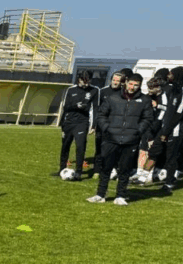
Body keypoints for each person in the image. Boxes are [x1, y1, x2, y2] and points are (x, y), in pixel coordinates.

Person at [88, 72, 153, 205]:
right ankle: (100, 195)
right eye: (130, 84)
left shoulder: (145, 100)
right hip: (111, 139)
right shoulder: (113, 98)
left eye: (136, 85)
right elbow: (101, 115)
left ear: (140, 86)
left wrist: (137, 131)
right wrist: (107, 128)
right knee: (106, 168)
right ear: (126, 83)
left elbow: (148, 118)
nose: (132, 87)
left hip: (130, 140)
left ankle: (120, 196)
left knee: (125, 170)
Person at [55, 70, 95, 179]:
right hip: (69, 122)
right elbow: (66, 107)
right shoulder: (71, 90)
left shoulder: (94, 90)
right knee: (65, 146)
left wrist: (93, 125)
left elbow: (95, 109)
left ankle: (78, 172)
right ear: (79, 79)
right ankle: (62, 169)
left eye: (88, 81)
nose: (85, 83)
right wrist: (76, 106)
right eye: (83, 81)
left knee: (80, 146)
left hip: (82, 122)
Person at [158, 66, 183, 192]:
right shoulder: (173, 88)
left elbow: (179, 113)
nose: (168, 76)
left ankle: (169, 183)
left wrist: (167, 130)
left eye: (171, 74)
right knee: (159, 151)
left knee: (172, 156)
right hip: (166, 127)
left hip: (176, 129)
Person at [92, 69, 124, 165]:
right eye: (114, 80)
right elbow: (97, 109)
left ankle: (110, 167)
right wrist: (94, 124)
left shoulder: (123, 93)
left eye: (118, 81)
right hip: (102, 125)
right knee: (99, 147)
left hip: (116, 125)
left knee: (113, 148)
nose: (115, 82)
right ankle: (97, 168)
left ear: (121, 82)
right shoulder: (103, 91)